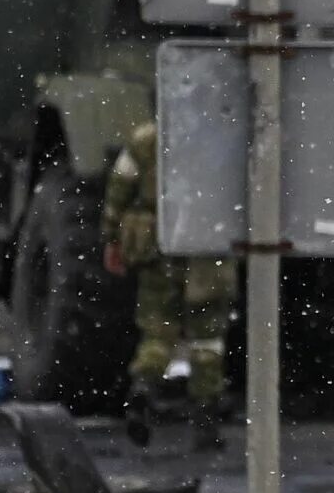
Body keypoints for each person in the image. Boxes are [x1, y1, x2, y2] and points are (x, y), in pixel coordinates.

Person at [100, 121, 237, 451]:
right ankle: (205, 419)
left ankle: (144, 388)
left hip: (158, 241)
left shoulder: (147, 139)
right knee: (207, 336)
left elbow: (119, 187)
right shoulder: (226, 135)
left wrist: (111, 237)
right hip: (209, 242)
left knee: (158, 331)